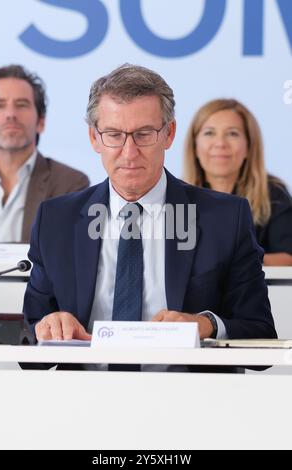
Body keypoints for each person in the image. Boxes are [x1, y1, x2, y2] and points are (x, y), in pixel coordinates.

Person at [23, 65, 276, 372]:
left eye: (144, 134)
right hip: (83, 403)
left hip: (192, 404)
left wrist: (206, 324)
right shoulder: (56, 221)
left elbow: (261, 335)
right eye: (114, 135)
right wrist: (47, 327)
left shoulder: (225, 218)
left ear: (168, 134)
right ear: (94, 138)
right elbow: (28, 347)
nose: (129, 153)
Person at [183, 98, 292, 266]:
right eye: (209, 133)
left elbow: (288, 258)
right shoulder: (177, 197)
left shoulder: (274, 193)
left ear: (249, 146)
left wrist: (238, 258)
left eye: (232, 133)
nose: (220, 144)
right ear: (195, 146)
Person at [0, 64, 90, 243]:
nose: (10, 114)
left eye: (21, 105)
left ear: (41, 122)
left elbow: (66, 259)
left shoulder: (70, 186)